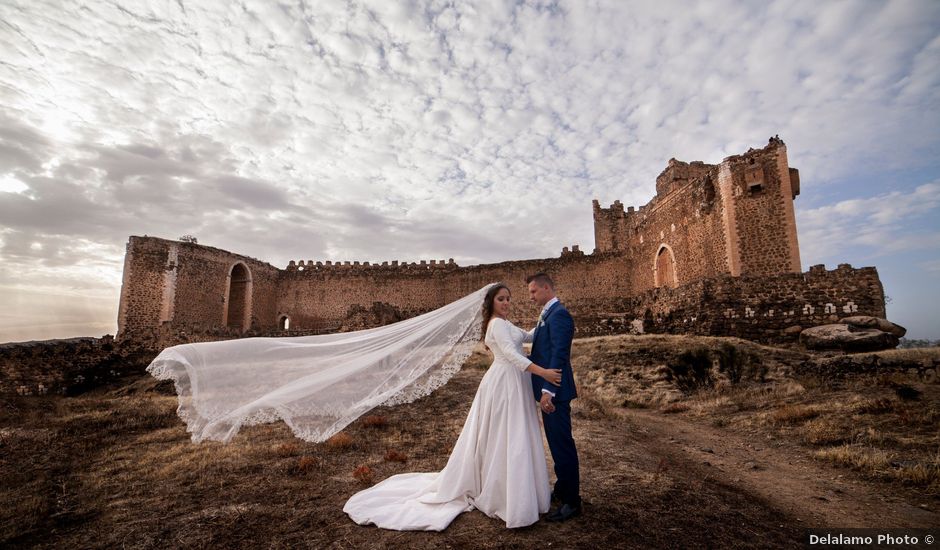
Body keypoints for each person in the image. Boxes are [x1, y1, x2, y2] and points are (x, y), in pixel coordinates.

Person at [343, 283, 563, 530]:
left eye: (509, 299)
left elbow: (529, 336)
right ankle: (501, 491)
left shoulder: (506, 324)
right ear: (491, 302)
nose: (506, 303)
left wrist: (545, 317)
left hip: (514, 382)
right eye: (501, 299)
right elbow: (514, 356)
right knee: (506, 434)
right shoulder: (496, 324)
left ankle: (513, 487)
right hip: (505, 383)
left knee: (511, 433)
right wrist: (543, 372)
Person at [527, 272, 582, 522]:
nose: (531, 296)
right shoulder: (548, 314)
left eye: (533, 291)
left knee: (562, 446)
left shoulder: (559, 315)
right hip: (550, 392)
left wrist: (549, 391)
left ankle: (572, 501)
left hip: (555, 394)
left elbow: (559, 355)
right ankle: (562, 489)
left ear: (546, 288)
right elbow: (542, 350)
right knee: (556, 444)